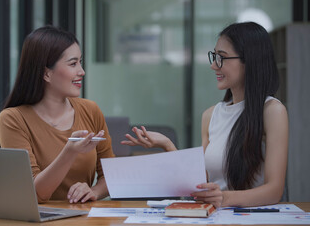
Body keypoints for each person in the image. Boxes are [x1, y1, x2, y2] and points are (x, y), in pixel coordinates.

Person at [121, 22, 288, 208]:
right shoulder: (210, 115)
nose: (214, 65)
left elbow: (274, 190)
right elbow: (200, 184)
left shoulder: (272, 111)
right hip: (213, 216)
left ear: (249, 60)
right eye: (214, 56)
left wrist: (224, 198)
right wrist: (167, 144)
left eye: (222, 58)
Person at [0, 26, 114, 204]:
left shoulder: (91, 110)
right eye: (73, 64)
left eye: (80, 62)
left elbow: (111, 175)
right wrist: (69, 151)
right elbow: (34, 194)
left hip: (85, 220)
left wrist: (93, 191)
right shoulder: (12, 119)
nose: (81, 71)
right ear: (46, 73)